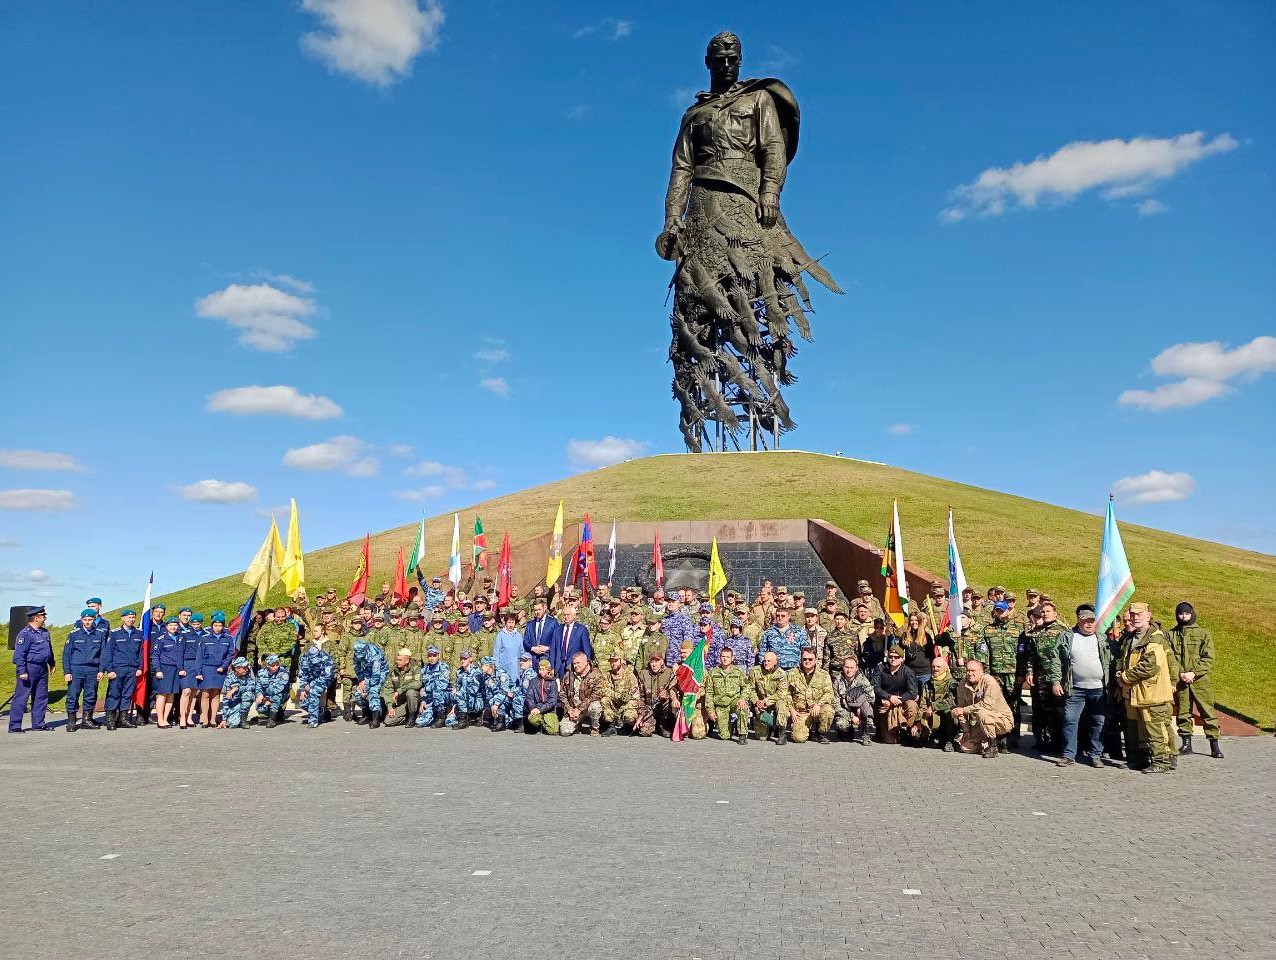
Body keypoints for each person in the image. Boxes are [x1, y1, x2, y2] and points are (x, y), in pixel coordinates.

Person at [1118, 602, 1176, 774]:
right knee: (1136, 729)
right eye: (1133, 614)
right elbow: (1123, 660)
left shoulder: (1155, 638)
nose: (1135, 617)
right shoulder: (1130, 637)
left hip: (1152, 693)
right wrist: (1119, 673)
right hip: (1134, 693)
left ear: (1149, 616)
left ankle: (1162, 762)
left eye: (1139, 614)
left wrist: (1125, 677)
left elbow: (1150, 666)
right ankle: (1139, 759)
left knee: (1155, 728)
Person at [1053, 605, 1108, 767]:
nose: (1089, 624)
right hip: (1075, 688)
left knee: (1099, 722)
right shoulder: (1067, 637)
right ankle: (1069, 755)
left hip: (1098, 689)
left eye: (1092, 621)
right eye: (1086, 621)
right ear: (1079, 620)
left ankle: (1095, 755)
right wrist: (1056, 681)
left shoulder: (1102, 639)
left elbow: (1111, 662)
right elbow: (1056, 659)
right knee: (1070, 720)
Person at [1167, 601, 1222, 759]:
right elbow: (1170, 657)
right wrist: (1181, 674)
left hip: (1200, 680)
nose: (1183, 616)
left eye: (1186, 613)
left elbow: (1209, 657)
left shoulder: (1203, 633)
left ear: (1192, 614)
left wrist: (1194, 673)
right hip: (1181, 680)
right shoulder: (1171, 634)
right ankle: (1186, 743)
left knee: (1207, 711)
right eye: (1180, 614)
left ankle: (1214, 744)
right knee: (1183, 713)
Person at [1027, 601, 1069, 753]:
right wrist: (1030, 672)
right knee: (1041, 709)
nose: (1045, 614)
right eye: (1043, 612)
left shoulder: (1063, 630)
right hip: (1040, 677)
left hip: (1057, 677)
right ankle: (1042, 740)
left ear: (1055, 613)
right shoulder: (1037, 631)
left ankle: (1058, 742)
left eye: (1048, 611)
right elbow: (1032, 655)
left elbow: (1067, 655)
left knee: (1057, 710)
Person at [952, 658, 1014, 758]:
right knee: (966, 747)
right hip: (979, 722)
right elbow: (960, 709)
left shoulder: (989, 681)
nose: (970, 673)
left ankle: (993, 746)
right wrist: (966, 731)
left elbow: (987, 705)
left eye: (973, 671)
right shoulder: (962, 684)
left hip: (1001, 720)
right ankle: (985, 744)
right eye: (968, 670)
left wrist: (964, 710)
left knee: (982, 713)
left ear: (981, 672)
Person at [982, 601, 1022, 748]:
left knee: (1013, 705)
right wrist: (986, 674)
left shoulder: (1018, 629)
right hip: (995, 673)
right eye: (997, 611)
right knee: (996, 705)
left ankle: (1013, 737)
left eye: (1002, 611)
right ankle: (998, 736)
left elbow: (1022, 654)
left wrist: (1021, 672)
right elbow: (984, 652)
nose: (1000, 613)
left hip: (1013, 673)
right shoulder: (988, 630)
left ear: (1008, 612)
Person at [9, 606, 55, 733]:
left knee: (41, 696)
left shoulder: (45, 632)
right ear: (36, 618)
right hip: (29, 668)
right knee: (22, 697)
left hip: (42, 668)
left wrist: (52, 663)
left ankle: (39, 723)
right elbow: (19, 655)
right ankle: (15, 726)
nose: (45, 618)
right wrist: (22, 671)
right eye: (43, 616)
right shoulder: (25, 634)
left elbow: (48, 650)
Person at [63, 608, 106, 732]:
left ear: (94, 620)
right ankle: (71, 722)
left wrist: (101, 670)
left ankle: (86, 720)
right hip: (77, 669)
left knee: (90, 695)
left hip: (92, 669)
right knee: (73, 695)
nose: (87, 622)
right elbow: (66, 654)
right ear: (81, 620)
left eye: (90, 620)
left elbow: (103, 654)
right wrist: (67, 672)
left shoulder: (99, 634)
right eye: (85, 619)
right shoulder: (74, 634)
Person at [101, 609, 144, 730]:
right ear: (123, 618)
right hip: (118, 668)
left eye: (133, 617)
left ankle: (123, 719)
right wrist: (109, 670)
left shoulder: (138, 634)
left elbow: (140, 652)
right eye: (129, 617)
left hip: (132, 669)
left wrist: (140, 667)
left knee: (127, 694)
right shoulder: (114, 633)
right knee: (114, 694)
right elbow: (108, 652)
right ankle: (110, 719)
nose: (131, 619)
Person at [195, 611, 235, 728]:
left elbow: (230, 654)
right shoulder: (205, 638)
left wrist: (224, 666)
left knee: (216, 694)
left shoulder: (227, 638)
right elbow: (199, 656)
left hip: (220, 669)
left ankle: (213, 719)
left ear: (223, 626)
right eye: (215, 625)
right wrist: (198, 672)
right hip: (207, 668)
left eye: (220, 625)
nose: (218, 628)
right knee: (205, 694)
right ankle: (205, 719)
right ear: (212, 626)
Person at [703, 645, 750, 744]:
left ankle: (742, 734)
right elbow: (709, 693)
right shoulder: (713, 672)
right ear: (720, 657)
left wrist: (742, 698)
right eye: (723, 656)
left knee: (743, 708)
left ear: (732, 658)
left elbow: (746, 687)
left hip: (734, 701)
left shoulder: (738, 671)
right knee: (724, 736)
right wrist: (711, 711)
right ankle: (729, 727)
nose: (725, 659)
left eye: (728, 657)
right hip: (720, 705)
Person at [872, 646, 919, 745]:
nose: (893, 659)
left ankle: (908, 731)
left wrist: (898, 699)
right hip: (885, 703)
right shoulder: (880, 668)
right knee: (889, 740)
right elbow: (875, 687)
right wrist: (889, 697)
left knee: (912, 706)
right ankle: (880, 730)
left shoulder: (908, 671)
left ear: (902, 659)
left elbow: (913, 692)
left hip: (902, 702)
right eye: (891, 656)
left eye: (896, 657)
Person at [787, 647, 833, 744]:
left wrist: (818, 704)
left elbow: (829, 693)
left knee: (828, 711)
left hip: (817, 709)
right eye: (805, 659)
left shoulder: (823, 674)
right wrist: (792, 710)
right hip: (801, 712)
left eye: (810, 659)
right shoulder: (793, 673)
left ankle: (820, 733)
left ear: (815, 659)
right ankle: (807, 730)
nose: (807, 661)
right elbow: (786, 694)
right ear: (801, 659)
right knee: (798, 738)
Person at [746, 649, 790, 743]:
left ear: (775, 662)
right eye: (765, 660)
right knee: (761, 737)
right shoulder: (755, 671)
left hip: (774, 702)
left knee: (781, 703)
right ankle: (771, 726)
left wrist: (766, 701)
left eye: (769, 661)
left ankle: (782, 732)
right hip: (761, 704)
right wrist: (756, 701)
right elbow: (750, 689)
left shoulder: (781, 674)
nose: (766, 663)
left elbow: (781, 693)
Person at [831, 655, 874, 745]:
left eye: (852, 667)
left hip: (861, 710)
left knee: (868, 715)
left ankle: (866, 735)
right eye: (847, 667)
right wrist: (851, 716)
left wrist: (861, 711)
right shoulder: (837, 681)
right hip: (845, 710)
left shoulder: (863, 680)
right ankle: (848, 731)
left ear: (856, 668)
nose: (849, 670)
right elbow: (835, 703)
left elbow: (871, 697)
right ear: (843, 667)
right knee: (841, 725)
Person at [560, 651, 604, 736]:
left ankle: (595, 728)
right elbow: (562, 694)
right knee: (564, 731)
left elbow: (596, 695)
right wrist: (569, 710)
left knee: (596, 706)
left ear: (586, 662)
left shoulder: (596, 674)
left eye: (578, 663)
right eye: (574, 663)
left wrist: (579, 709)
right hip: (573, 708)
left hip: (587, 707)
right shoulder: (569, 674)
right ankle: (577, 724)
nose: (575, 666)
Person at [150, 618, 183, 729]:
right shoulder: (161, 639)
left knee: (171, 695)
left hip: (176, 669)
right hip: (165, 669)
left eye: (175, 625)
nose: (173, 627)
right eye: (171, 625)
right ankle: (160, 719)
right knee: (162, 695)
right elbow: (155, 656)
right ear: (166, 626)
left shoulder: (180, 638)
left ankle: (165, 718)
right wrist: (158, 670)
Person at [297, 634, 336, 728]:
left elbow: (326, 676)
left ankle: (313, 720)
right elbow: (303, 674)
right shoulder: (305, 659)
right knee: (303, 702)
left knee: (314, 692)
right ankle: (319, 712)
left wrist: (311, 685)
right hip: (311, 679)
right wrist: (302, 689)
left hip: (324, 679)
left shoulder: (326, 658)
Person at [599, 651, 640, 736]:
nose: (613, 664)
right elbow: (603, 690)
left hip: (627, 705)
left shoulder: (630, 676)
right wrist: (617, 696)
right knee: (604, 700)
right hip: (614, 703)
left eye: (616, 661)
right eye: (611, 661)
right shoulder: (608, 675)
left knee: (630, 716)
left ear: (622, 661)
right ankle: (611, 726)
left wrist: (625, 706)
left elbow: (635, 697)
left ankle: (627, 726)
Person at [176, 612, 206, 728]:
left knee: (194, 692)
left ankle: (189, 717)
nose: (196, 625)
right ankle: (182, 717)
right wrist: (181, 668)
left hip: (200, 665)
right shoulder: (185, 635)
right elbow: (180, 652)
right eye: (193, 624)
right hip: (187, 664)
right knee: (186, 691)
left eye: (198, 624)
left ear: (201, 623)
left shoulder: (205, 635)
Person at [414, 645, 454, 729]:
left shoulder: (443, 667)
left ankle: (441, 717)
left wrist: (426, 689)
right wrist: (423, 700)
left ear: (438, 656)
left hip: (444, 697)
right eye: (429, 656)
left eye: (434, 656)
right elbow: (423, 686)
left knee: (437, 692)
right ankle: (433, 715)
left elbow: (441, 686)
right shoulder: (425, 669)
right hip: (431, 699)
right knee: (420, 722)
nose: (432, 658)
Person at [382, 648, 422, 728]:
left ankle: (412, 717)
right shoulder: (393, 671)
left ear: (407, 661)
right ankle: (405, 716)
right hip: (402, 702)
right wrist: (390, 707)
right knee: (388, 722)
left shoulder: (415, 668)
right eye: (397, 659)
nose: (397, 662)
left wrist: (400, 690)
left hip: (414, 699)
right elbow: (388, 689)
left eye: (400, 660)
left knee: (410, 692)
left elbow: (418, 683)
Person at [554, 604, 594, 678]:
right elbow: (554, 648)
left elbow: (586, 649)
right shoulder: (558, 629)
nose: (566, 617)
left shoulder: (581, 629)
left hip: (574, 665)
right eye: (564, 615)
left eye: (568, 615)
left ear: (574, 615)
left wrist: (587, 665)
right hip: (560, 666)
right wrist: (553, 666)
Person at [524, 656, 561, 735]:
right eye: (540, 669)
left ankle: (545, 723)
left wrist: (541, 709)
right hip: (536, 707)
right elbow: (529, 697)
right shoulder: (533, 681)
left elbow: (552, 701)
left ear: (548, 670)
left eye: (543, 669)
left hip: (549, 710)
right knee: (532, 719)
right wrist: (533, 708)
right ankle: (539, 725)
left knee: (553, 731)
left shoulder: (553, 682)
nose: (541, 671)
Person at [522, 598, 561, 670]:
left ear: (545, 608)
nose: (537, 612)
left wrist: (547, 648)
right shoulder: (530, 624)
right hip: (533, 661)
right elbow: (525, 641)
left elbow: (558, 641)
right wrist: (533, 648)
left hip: (548, 660)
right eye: (535, 610)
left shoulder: (553, 623)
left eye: (539, 609)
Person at [219, 658, 258, 730]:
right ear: (236, 668)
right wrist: (224, 719)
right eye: (244, 667)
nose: (246, 669)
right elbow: (226, 699)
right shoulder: (229, 679)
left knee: (248, 695)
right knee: (232, 724)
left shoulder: (248, 674)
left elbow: (252, 687)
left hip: (245, 700)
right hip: (235, 703)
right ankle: (236, 718)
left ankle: (243, 720)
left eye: (247, 667)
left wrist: (236, 688)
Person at [479, 656, 516, 731]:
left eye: (482, 665)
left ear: (488, 666)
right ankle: (503, 720)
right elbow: (488, 693)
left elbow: (504, 692)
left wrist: (495, 704)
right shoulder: (486, 676)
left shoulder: (501, 675)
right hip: (497, 698)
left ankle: (502, 723)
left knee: (499, 700)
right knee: (493, 699)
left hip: (508, 699)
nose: (481, 667)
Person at [450, 649, 484, 729]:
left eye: (465, 659)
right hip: (466, 698)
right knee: (449, 722)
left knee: (459, 694)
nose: (462, 661)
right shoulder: (459, 672)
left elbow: (473, 690)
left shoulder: (476, 672)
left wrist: (459, 692)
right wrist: (454, 705)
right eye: (461, 658)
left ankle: (465, 721)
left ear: (470, 659)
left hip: (477, 700)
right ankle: (466, 715)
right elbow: (457, 686)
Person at [255, 654, 291, 728]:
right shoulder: (261, 673)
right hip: (266, 696)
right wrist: (261, 697)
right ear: (268, 665)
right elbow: (258, 687)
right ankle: (278, 713)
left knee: (276, 696)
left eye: (277, 664)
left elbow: (278, 689)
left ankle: (272, 719)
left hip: (282, 694)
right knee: (260, 708)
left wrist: (264, 695)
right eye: (273, 665)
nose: (275, 667)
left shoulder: (284, 672)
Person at [660, 597, 697, 666]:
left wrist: (685, 658)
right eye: (669, 602)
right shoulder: (664, 619)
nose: (670, 604)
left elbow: (688, 641)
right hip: (665, 658)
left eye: (673, 602)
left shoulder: (684, 618)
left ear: (679, 604)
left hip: (679, 658)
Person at [493, 610, 524, 680]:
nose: (511, 625)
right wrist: (498, 670)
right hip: (504, 669)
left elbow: (522, 652)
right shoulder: (500, 635)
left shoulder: (518, 635)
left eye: (512, 622)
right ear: (505, 622)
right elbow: (496, 653)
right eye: (509, 622)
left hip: (516, 670)